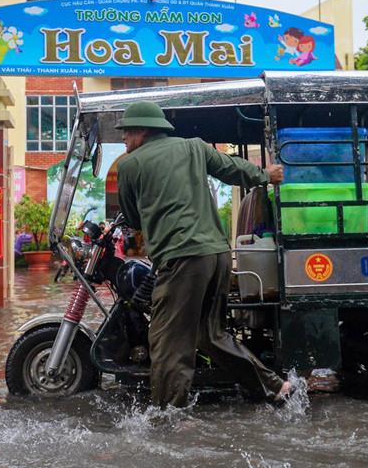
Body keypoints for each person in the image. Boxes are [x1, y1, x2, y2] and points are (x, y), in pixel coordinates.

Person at [115, 100, 293, 407]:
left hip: (182, 258)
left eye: (127, 133)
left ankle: (168, 416)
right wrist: (266, 175)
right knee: (211, 335)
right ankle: (275, 387)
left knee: (168, 341)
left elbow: (131, 218)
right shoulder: (193, 147)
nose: (123, 139)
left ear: (142, 131)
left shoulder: (130, 165)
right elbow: (231, 169)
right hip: (218, 255)